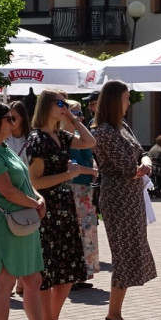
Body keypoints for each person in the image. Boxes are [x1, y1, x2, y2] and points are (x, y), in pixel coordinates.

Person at [0, 101, 62, 320]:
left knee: (33, 279)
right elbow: (7, 190)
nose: (14, 122)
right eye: (8, 118)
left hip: (22, 221)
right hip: (5, 224)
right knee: (5, 283)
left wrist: (38, 198)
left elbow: (23, 181)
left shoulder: (3, 148)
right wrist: (35, 203)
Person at [26, 89, 96, 320]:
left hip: (65, 208)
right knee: (50, 272)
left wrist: (74, 119)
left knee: (68, 271)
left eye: (66, 103)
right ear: (46, 106)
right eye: (60, 103)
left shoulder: (60, 135)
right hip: (48, 209)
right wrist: (69, 175)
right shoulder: (38, 139)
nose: (64, 106)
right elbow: (36, 181)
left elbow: (90, 142)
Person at [91, 80, 157, 320]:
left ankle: (114, 314)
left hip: (132, 196)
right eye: (126, 98)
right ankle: (113, 315)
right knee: (124, 255)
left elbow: (141, 152)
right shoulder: (103, 131)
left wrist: (146, 161)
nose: (129, 102)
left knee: (130, 252)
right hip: (118, 198)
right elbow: (126, 167)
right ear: (115, 100)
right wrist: (139, 167)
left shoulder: (122, 125)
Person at [63, 100, 100, 283]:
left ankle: (84, 273)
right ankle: (74, 273)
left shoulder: (79, 135)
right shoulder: (62, 138)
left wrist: (93, 168)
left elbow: (90, 155)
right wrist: (92, 171)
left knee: (87, 230)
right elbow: (69, 165)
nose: (82, 117)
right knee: (76, 230)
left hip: (85, 188)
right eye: (77, 113)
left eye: (80, 113)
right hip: (71, 188)